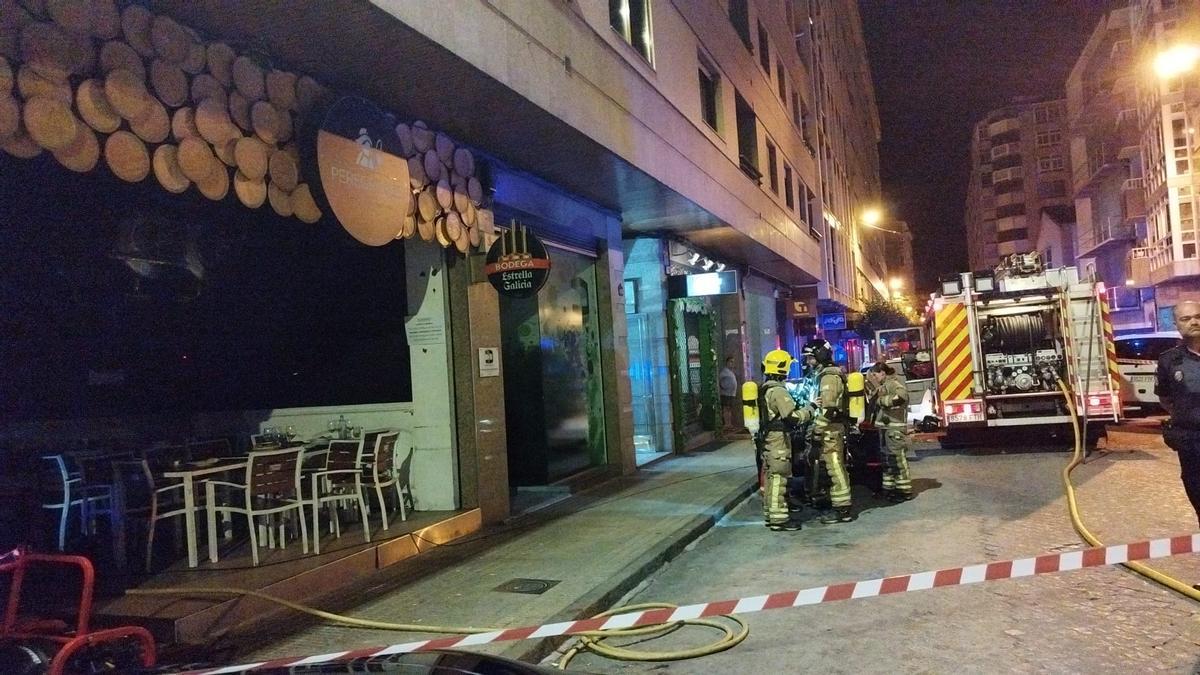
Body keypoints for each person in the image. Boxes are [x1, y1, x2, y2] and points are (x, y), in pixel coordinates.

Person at [758, 349, 815, 531]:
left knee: (770, 476)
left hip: (768, 439)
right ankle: (779, 520)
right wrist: (811, 408)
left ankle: (771, 514)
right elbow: (792, 418)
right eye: (788, 367)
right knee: (778, 478)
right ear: (781, 368)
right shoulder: (778, 391)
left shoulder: (766, 388)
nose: (789, 370)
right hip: (778, 440)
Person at [1157, 300, 1200, 527]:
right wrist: (1187, 414)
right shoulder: (1169, 361)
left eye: (1197, 316)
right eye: (1186, 319)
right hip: (1192, 443)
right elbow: (1165, 398)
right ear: (1176, 324)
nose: (1194, 322)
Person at [805, 339, 856, 524]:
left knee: (835, 467)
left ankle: (843, 509)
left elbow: (828, 408)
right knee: (832, 467)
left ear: (820, 355)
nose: (809, 362)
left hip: (831, 429)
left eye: (811, 358)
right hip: (831, 428)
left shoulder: (828, 377)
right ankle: (837, 502)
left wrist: (817, 430)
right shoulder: (826, 375)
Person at [867, 362, 913, 502]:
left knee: (897, 459)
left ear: (882, 372)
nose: (874, 378)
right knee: (887, 461)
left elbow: (902, 397)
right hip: (886, 429)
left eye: (875, 375)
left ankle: (904, 491)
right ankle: (889, 489)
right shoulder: (883, 386)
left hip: (894, 429)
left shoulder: (893, 384)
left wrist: (881, 401)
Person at [718, 356, 739, 438]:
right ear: (727, 362)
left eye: (733, 362)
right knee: (726, 409)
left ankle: (729, 424)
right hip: (726, 394)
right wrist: (723, 387)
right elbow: (719, 380)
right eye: (730, 362)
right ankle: (726, 424)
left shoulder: (731, 372)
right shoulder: (724, 371)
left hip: (731, 394)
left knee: (729, 409)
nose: (732, 364)